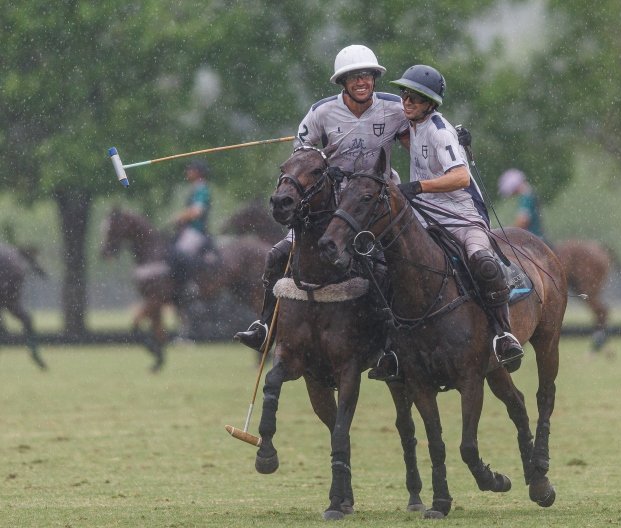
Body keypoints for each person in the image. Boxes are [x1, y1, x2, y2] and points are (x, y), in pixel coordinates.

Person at [235, 44, 410, 352]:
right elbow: (301, 155)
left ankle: (398, 336)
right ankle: (264, 325)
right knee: (277, 255)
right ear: (343, 82)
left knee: (398, 259)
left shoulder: (395, 107)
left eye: (367, 76)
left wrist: (451, 133)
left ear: (374, 78)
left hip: (376, 200)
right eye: (354, 77)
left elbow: (424, 127)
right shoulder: (321, 112)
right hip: (332, 201)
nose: (361, 82)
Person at [371, 64, 525, 377]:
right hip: (425, 217)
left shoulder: (440, 131)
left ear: (430, 102)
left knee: (482, 261)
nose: (407, 101)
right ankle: (391, 347)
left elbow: (460, 175)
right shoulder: (411, 122)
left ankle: (503, 333)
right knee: (387, 264)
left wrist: (419, 186)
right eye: (405, 95)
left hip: (463, 216)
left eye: (415, 97)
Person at [169, 159, 212, 304]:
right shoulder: (196, 188)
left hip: (196, 231)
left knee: (179, 253)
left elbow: (197, 211)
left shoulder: (202, 189)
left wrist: (180, 216)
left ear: (198, 173)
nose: (187, 172)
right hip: (189, 230)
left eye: (190, 170)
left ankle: (191, 285)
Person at [498, 168, 544, 238]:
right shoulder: (529, 194)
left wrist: (507, 233)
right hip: (537, 236)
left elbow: (523, 221)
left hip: (533, 238)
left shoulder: (526, 197)